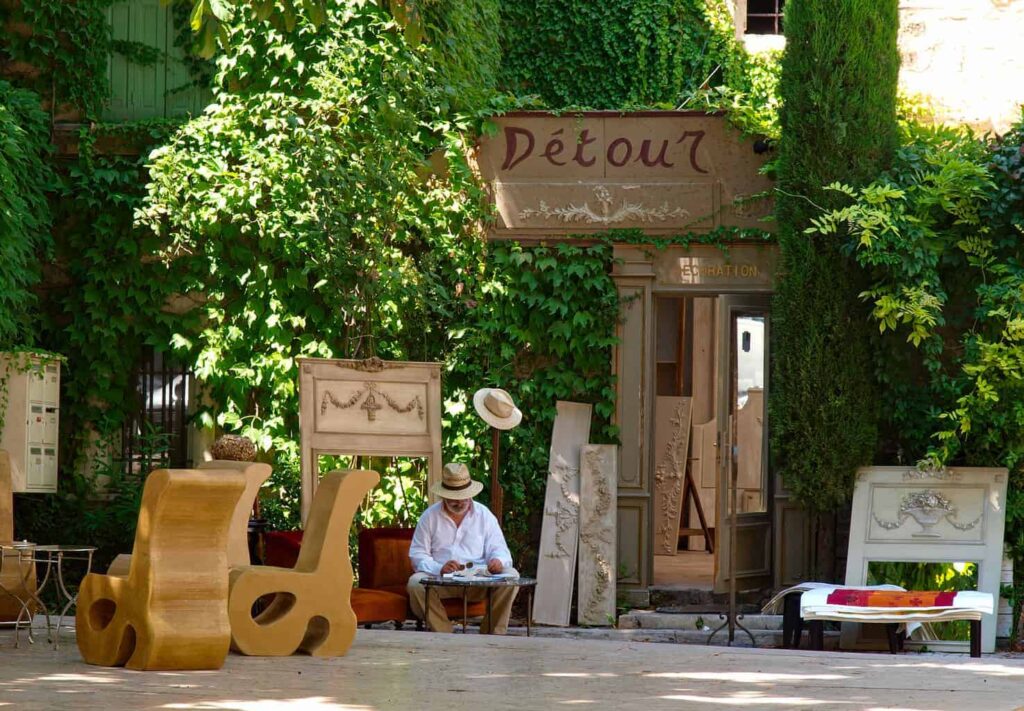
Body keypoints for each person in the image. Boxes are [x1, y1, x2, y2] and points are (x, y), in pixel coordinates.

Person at [407, 462, 519, 633]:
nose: (459, 502)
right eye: (453, 497)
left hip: (478, 580)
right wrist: (440, 568)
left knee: (512, 576)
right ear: (443, 495)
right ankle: (445, 634)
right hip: (442, 580)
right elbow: (417, 554)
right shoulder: (429, 517)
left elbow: (499, 548)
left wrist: (498, 560)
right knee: (415, 583)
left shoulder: (484, 515)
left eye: (463, 497)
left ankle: (492, 636)